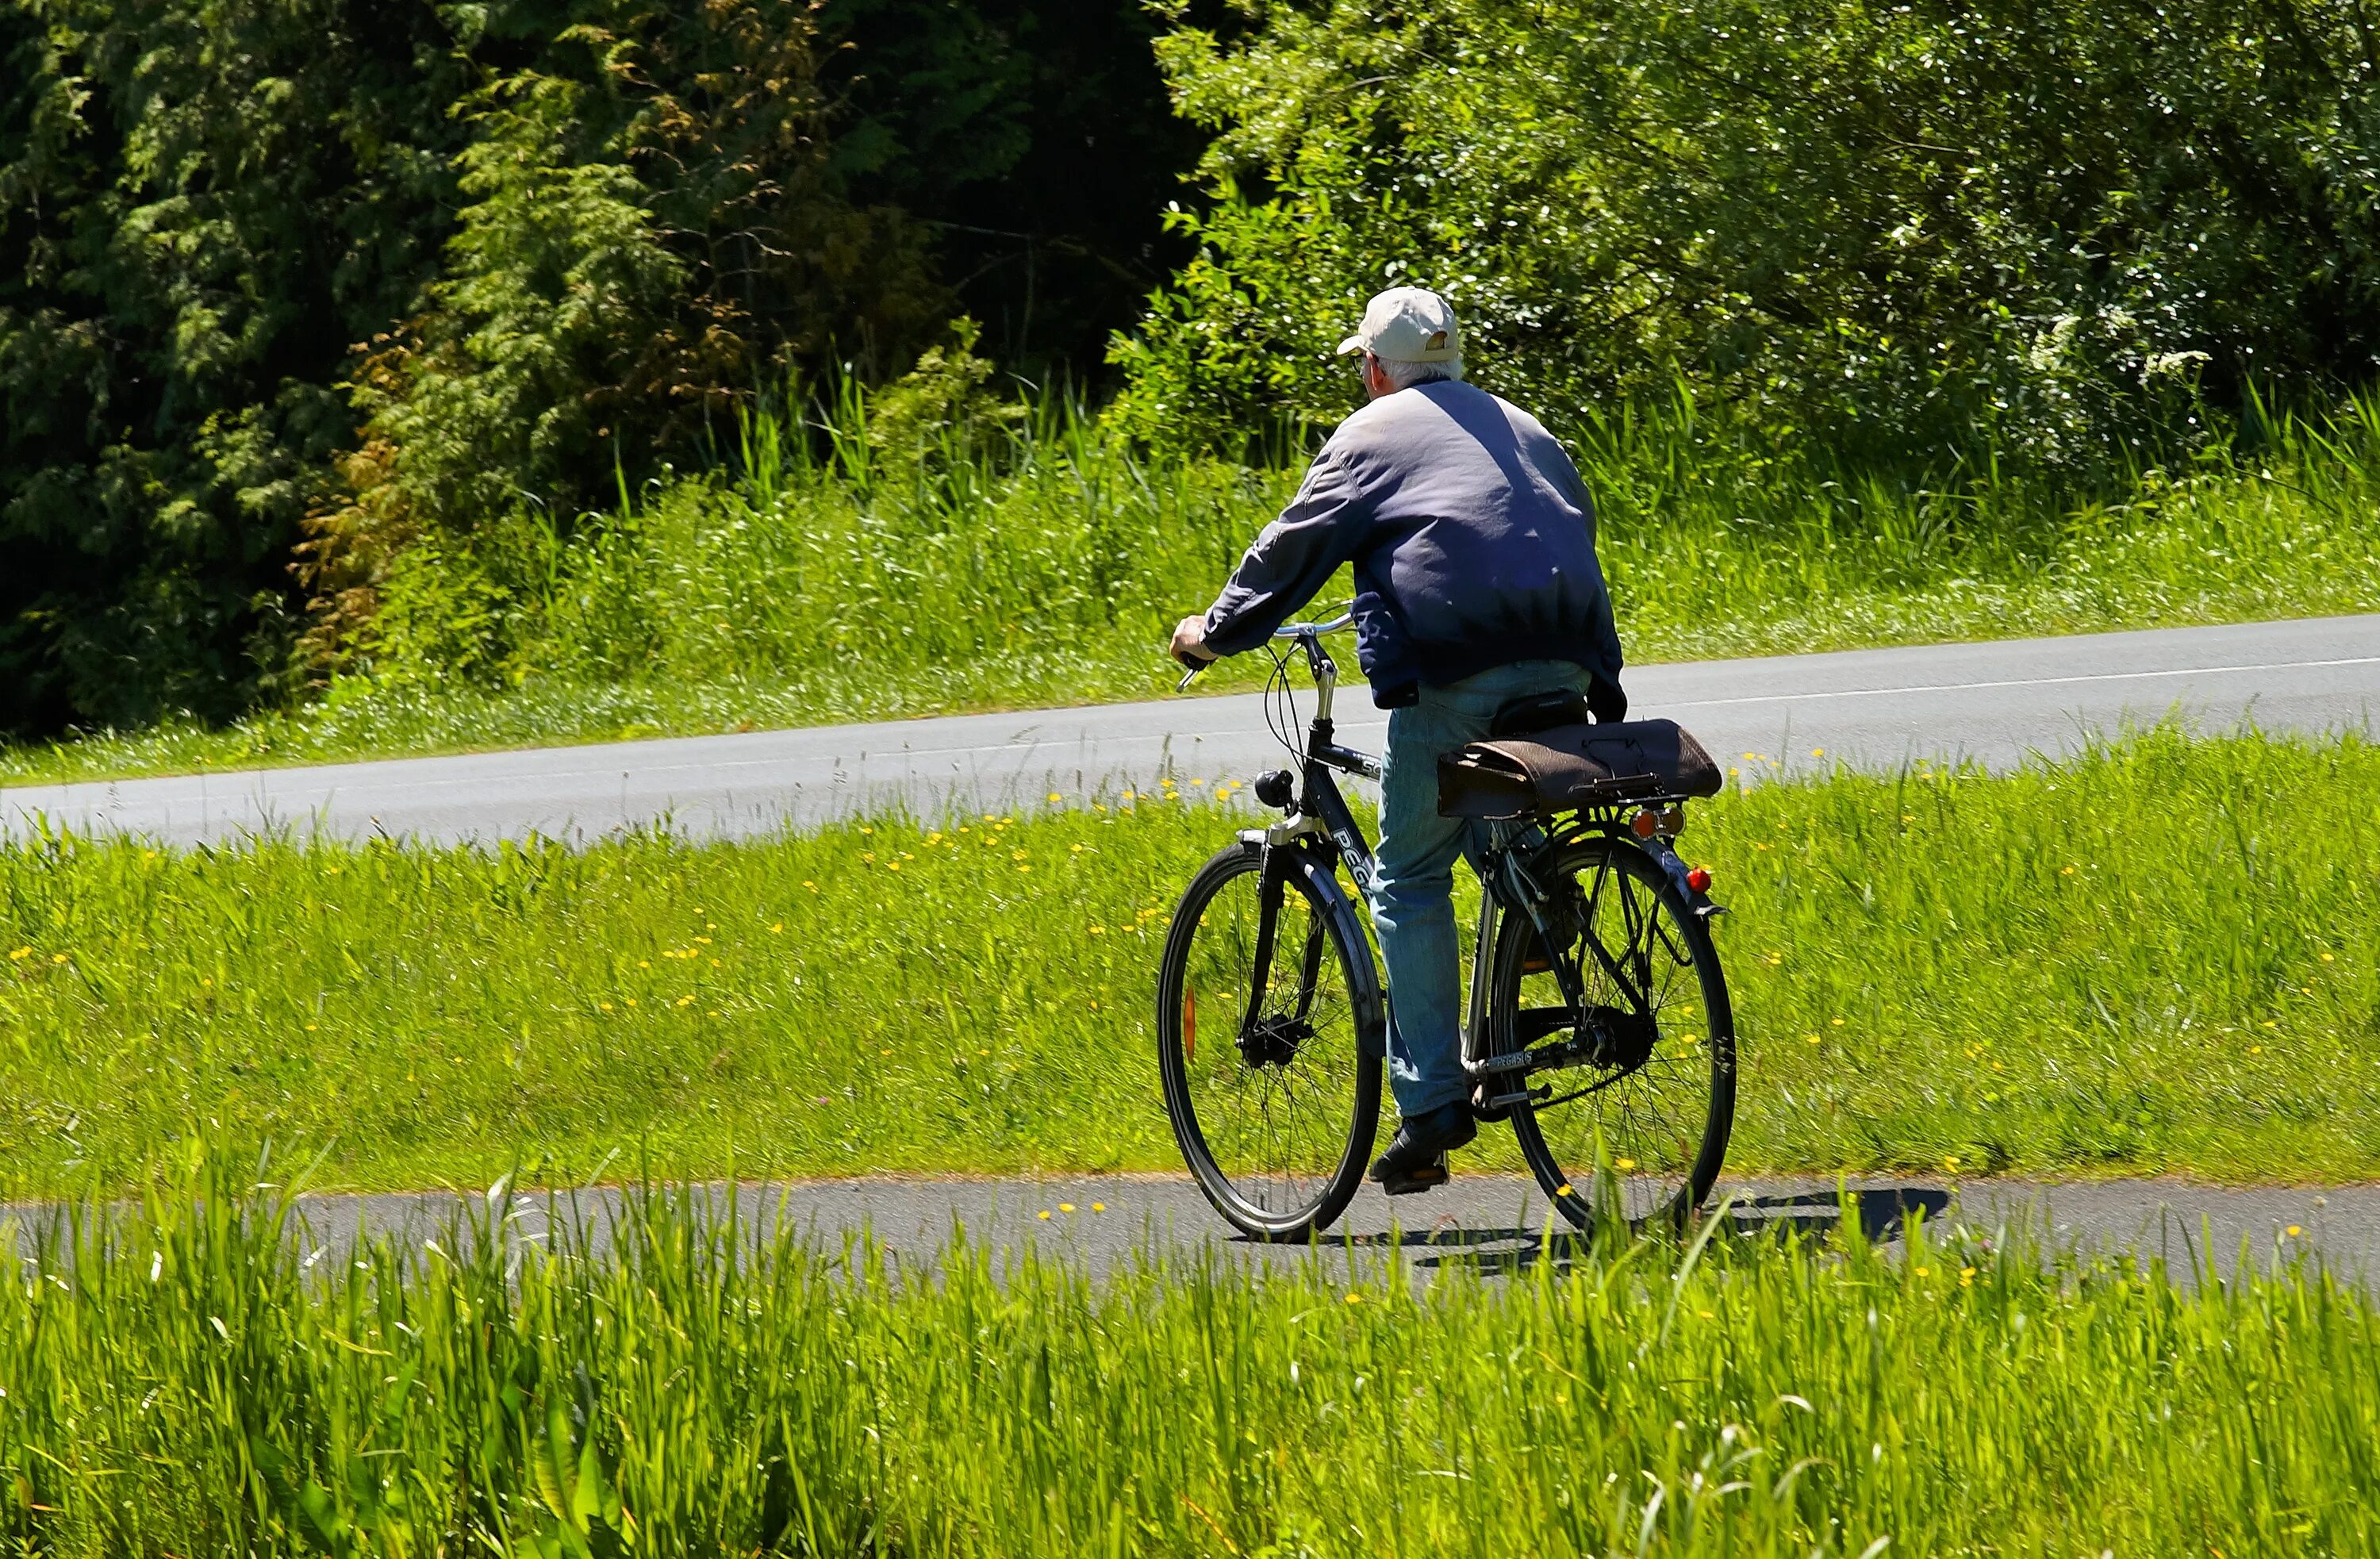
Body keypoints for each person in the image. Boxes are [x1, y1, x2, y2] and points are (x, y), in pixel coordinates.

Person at [1170, 285, 1627, 1194]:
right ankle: (1543, 901)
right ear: (1452, 360)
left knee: (1411, 875)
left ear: (1377, 368)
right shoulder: (1523, 424)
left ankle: (1429, 1105)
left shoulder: (1370, 434)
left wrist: (1215, 633)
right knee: (1500, 802)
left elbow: (1290, 549)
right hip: (1571, 653)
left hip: (1464, 664)